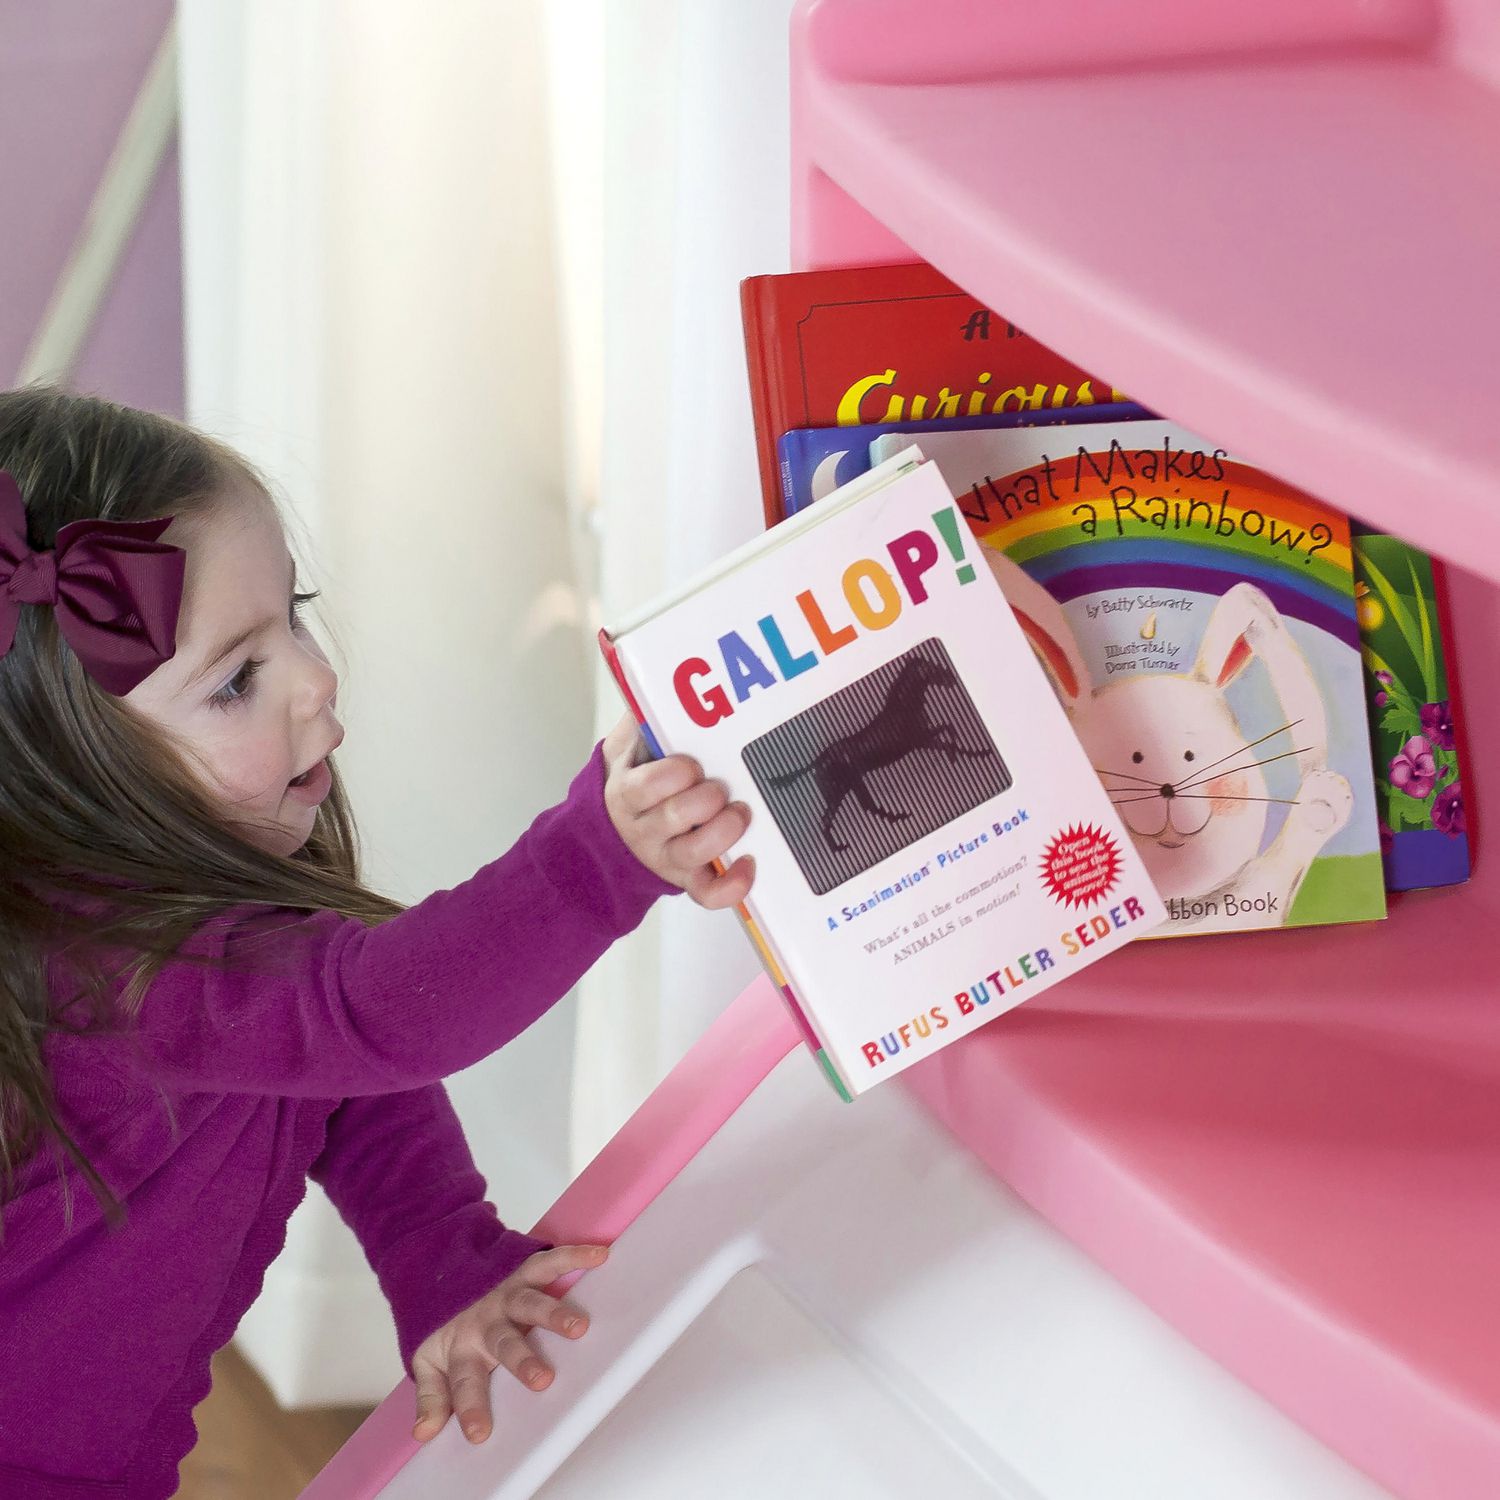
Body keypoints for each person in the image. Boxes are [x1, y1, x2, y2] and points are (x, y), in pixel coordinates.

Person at [0, 386, 754, 1500]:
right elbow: (374, 1017)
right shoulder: (119, 973)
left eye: (293, 614)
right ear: (74, 777)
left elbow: (344, 1077)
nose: (316, 678)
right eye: (239, 679)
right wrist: (598, 863)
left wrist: (441, 1257)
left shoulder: (207, 924)